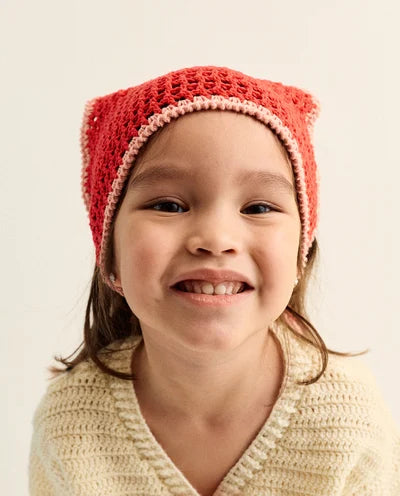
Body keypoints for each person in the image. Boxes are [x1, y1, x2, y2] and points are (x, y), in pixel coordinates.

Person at [28, 65, 400, 496]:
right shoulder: (69, 425)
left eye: (258, 208)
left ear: (301, 253)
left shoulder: (348, 422)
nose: (217, 239)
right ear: (109, 254)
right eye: (168, 205)